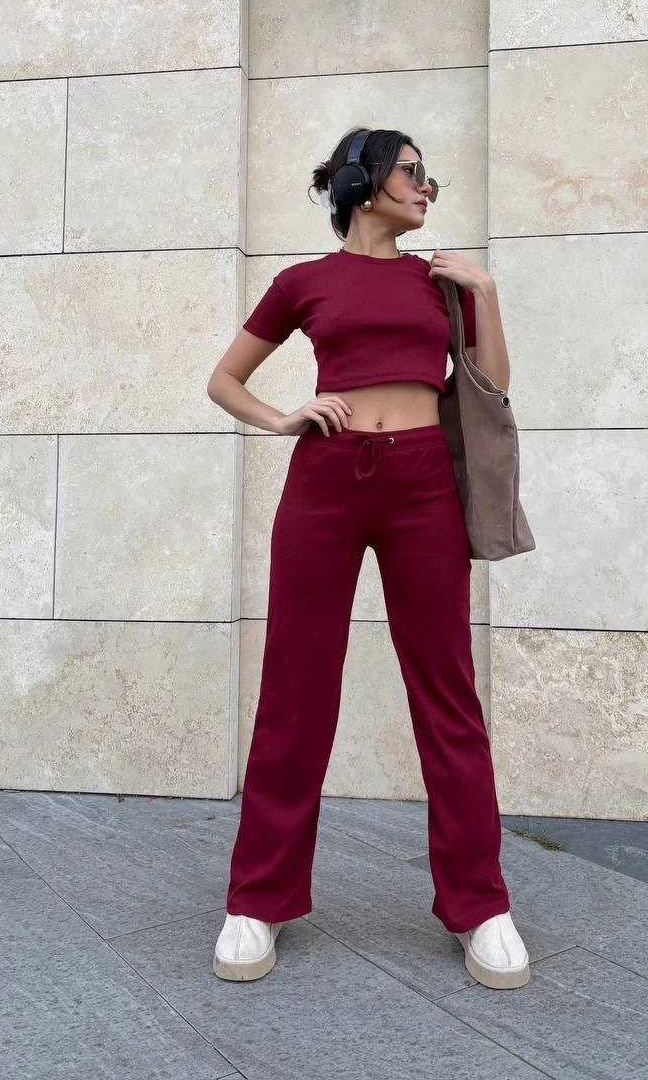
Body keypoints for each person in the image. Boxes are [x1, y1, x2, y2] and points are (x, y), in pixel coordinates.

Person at [205, 126, 529, 989]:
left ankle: (481, 905)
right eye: (412, 172)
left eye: (430, 177)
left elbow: (491, 384)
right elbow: (224, 380)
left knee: (447, 690)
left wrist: (486, 292)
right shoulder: (303, 282)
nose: (426, 187)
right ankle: (257, 899)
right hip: (326, 480)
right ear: (363, 180)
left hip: (424, 484)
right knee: (296, 687)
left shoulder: (441, 281)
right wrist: (285, 418)